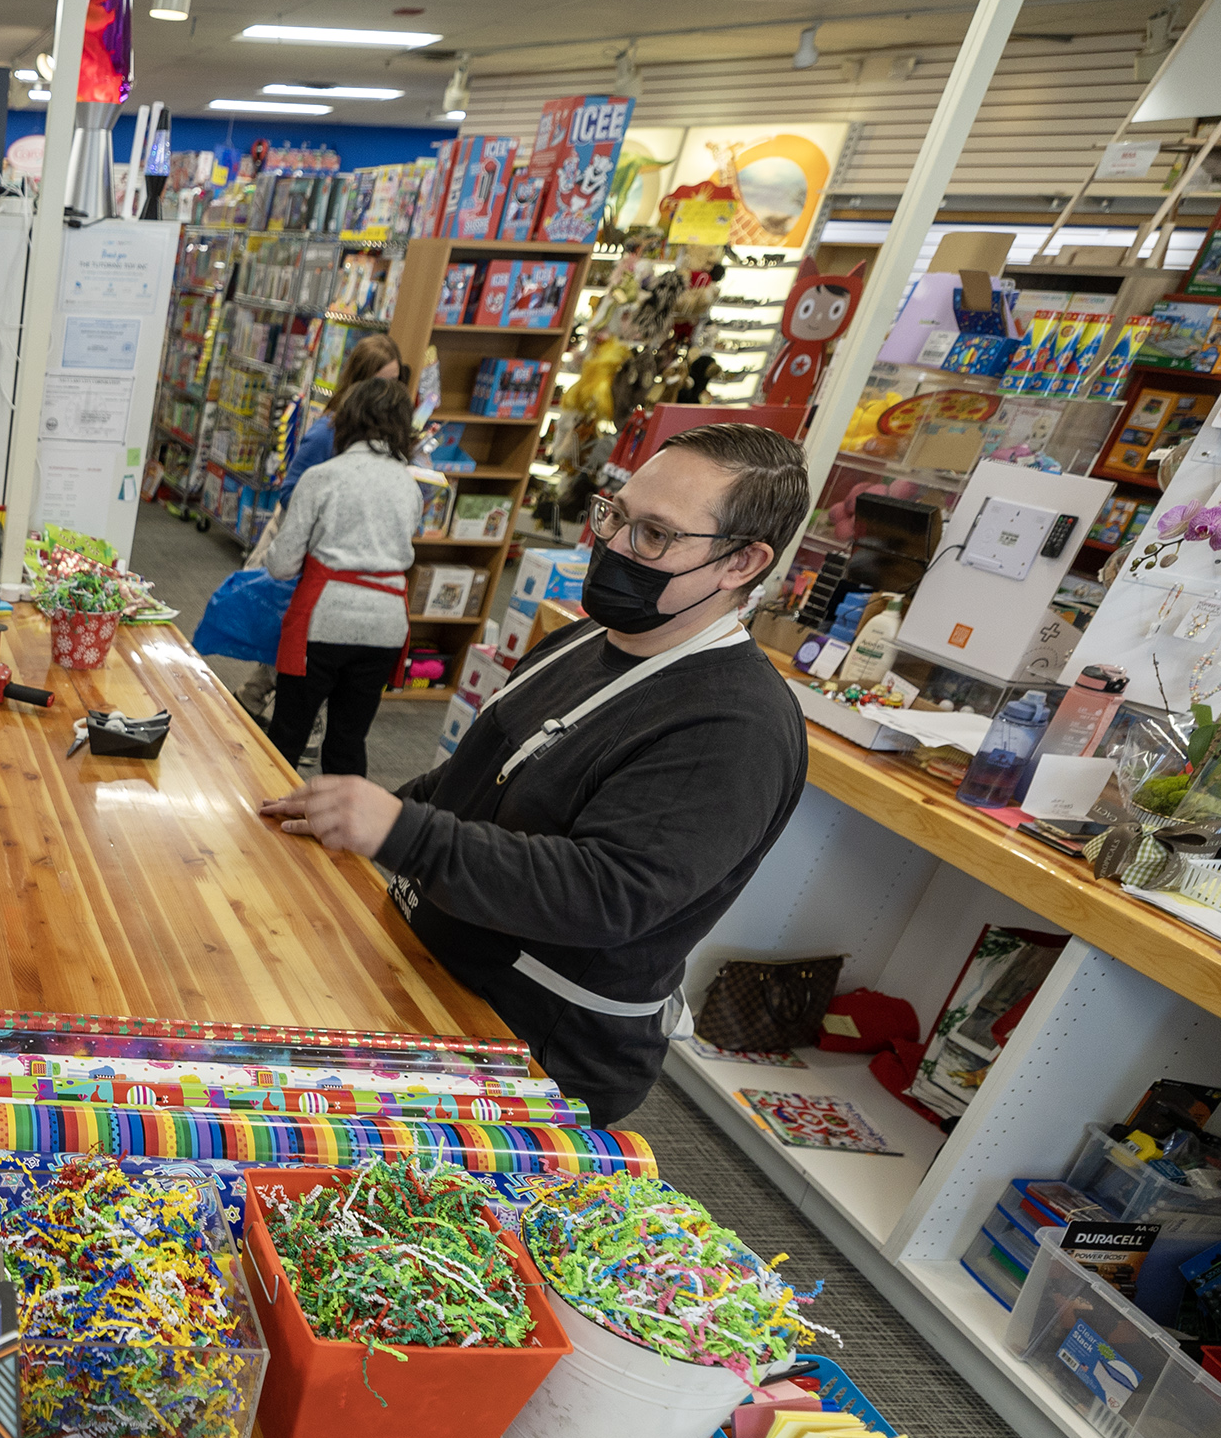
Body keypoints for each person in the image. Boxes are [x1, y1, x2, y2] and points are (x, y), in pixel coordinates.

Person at [262, 422, 812, 1126]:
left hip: (529, 1057)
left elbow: (605, 895)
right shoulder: (586, 640)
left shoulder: (736, 729)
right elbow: (469, 778)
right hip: (427, 973)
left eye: (654, 535)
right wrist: (346, 820)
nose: (612, 545)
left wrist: (402, 833)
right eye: (614, 515)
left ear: (742, 563)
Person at [262, 376, 421, 778]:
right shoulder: (410, 485)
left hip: (323, 620)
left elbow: (282, 564)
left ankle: (265, 828)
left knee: (287, 736)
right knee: (349, 741)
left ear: (347, 419)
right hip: (386, 627)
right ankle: (342, 833)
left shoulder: (324, 477)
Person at [277, 333, 407, 506]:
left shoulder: (390, 432)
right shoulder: (326, 432)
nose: (388, 392)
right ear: (359, 383)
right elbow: (289, 494)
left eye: (394, 381)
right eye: (379, 383)